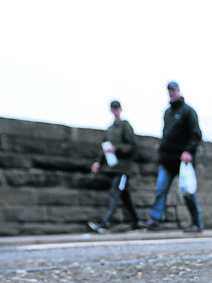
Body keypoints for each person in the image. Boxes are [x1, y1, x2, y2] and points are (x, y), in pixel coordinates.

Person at [143, 81, 203, 232]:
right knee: (160, 190)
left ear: (179, 91)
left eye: (173, 89)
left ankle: (197, 223)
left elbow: (196, 134)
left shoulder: (188, 111)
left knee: (188, 192)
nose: (171, 92)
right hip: (167, 160)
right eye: (169, 90)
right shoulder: (167, 113)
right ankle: (155, 220)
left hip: (183, 161)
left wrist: (188, 151)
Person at [87, 100, 141, 233]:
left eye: (117, 108)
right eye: (113, 109)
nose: (115, 111)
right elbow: (103, 148)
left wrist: (116, 148)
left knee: (115, 191)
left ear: (120, 110)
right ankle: (136, 221)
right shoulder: (109, 130)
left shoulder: (125, 126)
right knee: (124, 195)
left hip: (123, 169)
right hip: (113, 167)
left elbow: (132, 145)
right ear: (111, 110)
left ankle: (106, 222)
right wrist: (98, 162)